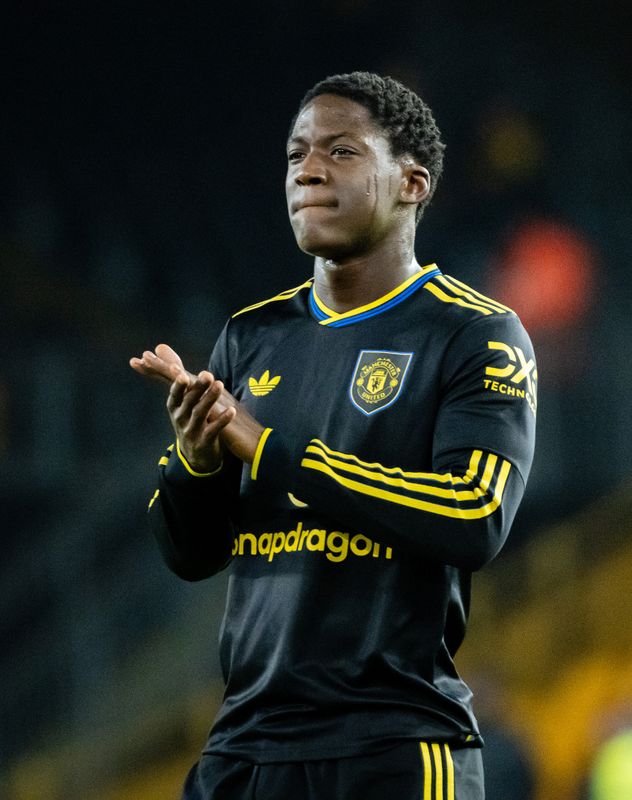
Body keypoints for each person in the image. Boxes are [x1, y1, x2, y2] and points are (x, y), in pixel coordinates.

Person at [129, 71, 536, 799]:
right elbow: (189, 554)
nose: (308, 170)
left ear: (412, 183)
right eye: (296, 154)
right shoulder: (251, 335)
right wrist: (195, 460)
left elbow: (474, 514)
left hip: (394, 747)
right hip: (245, 750)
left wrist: (270, 451)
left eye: (341, 151)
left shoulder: (474, 333)